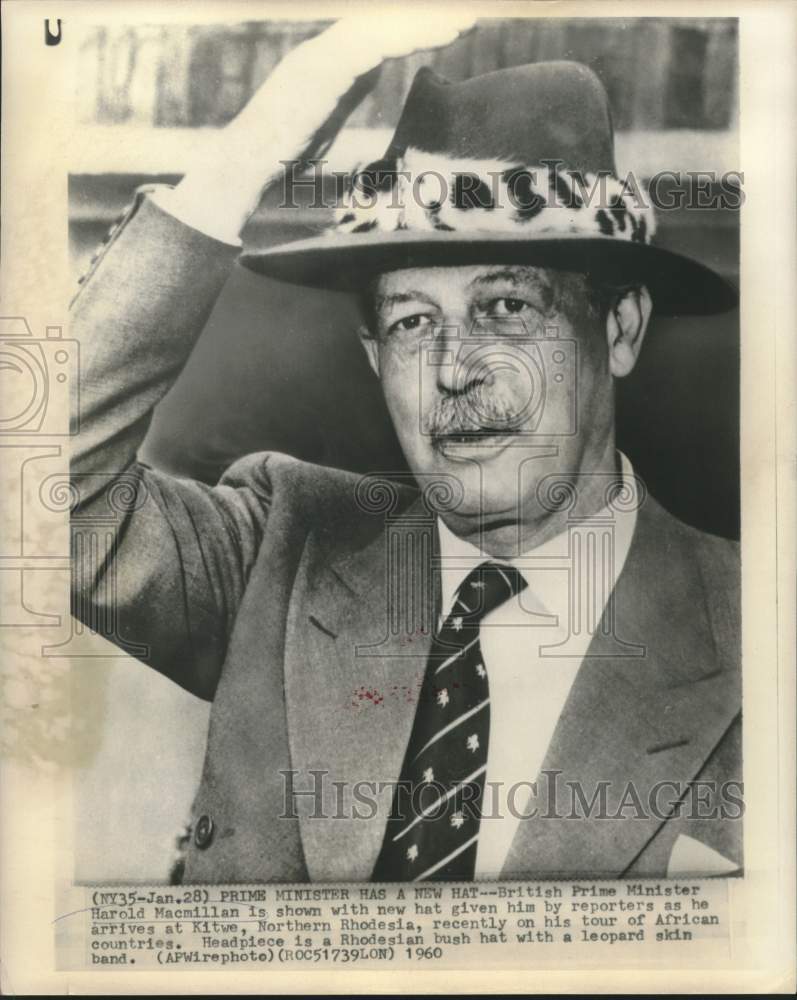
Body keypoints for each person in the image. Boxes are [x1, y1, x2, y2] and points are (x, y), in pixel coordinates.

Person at [70, 17, 742, 884]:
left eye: (506, 307)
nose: (453, 371)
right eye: (412, 321)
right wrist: (256, 142)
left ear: (618, 328)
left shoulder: (762, 628)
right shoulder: (281, 549)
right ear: (374, 357)